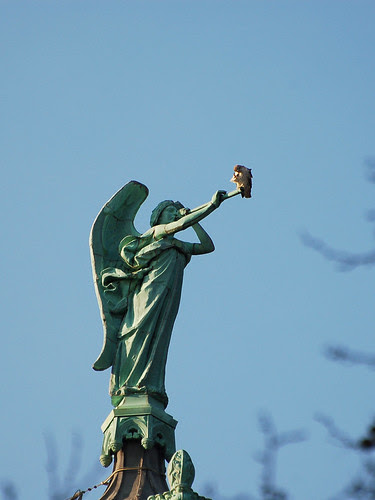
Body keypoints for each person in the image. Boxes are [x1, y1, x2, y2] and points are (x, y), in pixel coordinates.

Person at [109, 190, 226, 407]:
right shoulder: (155, 233)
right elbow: (178, 226)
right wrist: (211, 206)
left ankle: (148, 384)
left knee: (159, 336)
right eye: (170, 211)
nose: (174, 214)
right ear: (159, 216)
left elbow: (207, 246)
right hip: (148, 294)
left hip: (168, 296)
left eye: (175, 211)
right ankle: (129, 383)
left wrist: (193, 221)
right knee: (140, 334)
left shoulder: (177, 244)